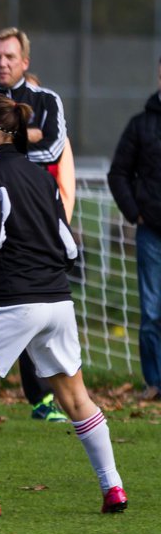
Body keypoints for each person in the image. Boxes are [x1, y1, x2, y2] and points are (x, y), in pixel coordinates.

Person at [0, 93, 127, 516]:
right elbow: (67, 243)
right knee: (77, 399)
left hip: (13, 298)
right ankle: (113, 488)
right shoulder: (40, 174)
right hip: (58, 299)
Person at [0, 27, 69, 422]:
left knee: (28, 306)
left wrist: (13, 135)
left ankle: (40, 398)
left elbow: (54, 145)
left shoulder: (46, 98)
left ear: (25, 61)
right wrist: (26, 132)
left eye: (9, 56)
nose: (2, 63)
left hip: (30, 221)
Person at [107, 57, 161, 401]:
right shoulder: (141, 125)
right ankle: (155, 383)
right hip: (151, 233)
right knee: (153, 311)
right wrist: (135, 213)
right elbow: (118, 174)